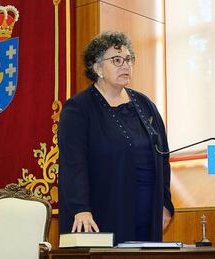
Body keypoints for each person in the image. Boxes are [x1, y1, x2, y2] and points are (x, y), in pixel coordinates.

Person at [58, 31, 174, 244]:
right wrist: (81, 209)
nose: (126, 65)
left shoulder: (145, 104)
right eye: (117, 60)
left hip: (148, 214)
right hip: (102, 215)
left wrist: (165, 204)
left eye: (129, 59)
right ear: (98, 68)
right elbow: (72, 164)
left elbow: (163, 157)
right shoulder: (78, 109)